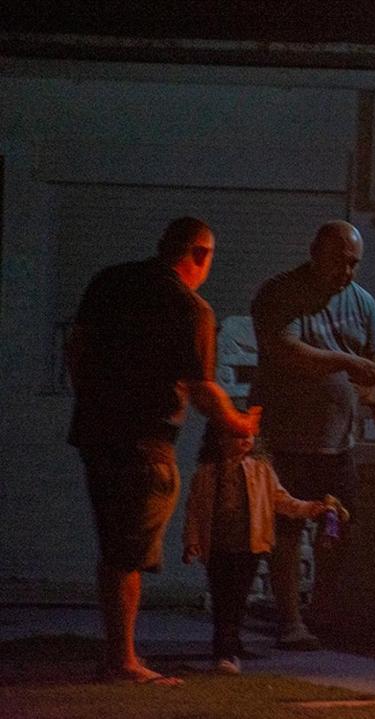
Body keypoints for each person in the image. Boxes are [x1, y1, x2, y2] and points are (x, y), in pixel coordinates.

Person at [66, 216, 261, 684]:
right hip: (147, 444)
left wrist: (91, 398)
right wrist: (239, 421)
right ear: (199, 255)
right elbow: (201, 388)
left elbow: (75, 348)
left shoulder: (109, 282)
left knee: (114, 543)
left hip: (96, 434)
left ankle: (119, 655)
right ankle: (123, 660)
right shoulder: (190, 308)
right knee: (126, 553)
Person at [250, 220, 375, 650]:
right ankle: (290, 621)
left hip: (339, 441)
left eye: (354, 264)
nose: (347, 273)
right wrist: (347, 363)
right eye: (340, 262)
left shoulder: (363, 303)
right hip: (285, 437)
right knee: (287, 531)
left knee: (338, 528)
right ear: (316, 251)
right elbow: (287, 351)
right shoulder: (281, 293)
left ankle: (324, 613)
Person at [181, 424, 328, 674]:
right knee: (222, 596)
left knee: (237, 597)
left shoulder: (261, 470)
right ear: (220, 440)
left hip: (248, 545)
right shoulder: (206, 473)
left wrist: (307, 508)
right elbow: (194, 509)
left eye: (248, 435)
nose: (244, 440)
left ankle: (229, 647)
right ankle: (226, 649)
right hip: (218, 545)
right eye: (237, 435)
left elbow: (280, 499)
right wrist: (192, 541)